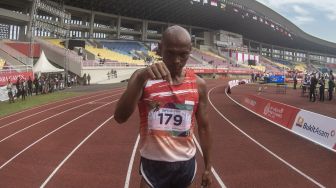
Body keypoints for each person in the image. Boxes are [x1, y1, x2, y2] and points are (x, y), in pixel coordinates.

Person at [114, 25, 212, 188]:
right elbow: (120, 117)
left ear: (190, 50)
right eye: (170, 53)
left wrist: (208, 168)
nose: (176, 61)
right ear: (160, 49)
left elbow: (204, 127)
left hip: (185, 166)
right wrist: (141, 79)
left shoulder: (198, 85)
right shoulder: (142, 78)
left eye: (183, 54)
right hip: (153, 166)